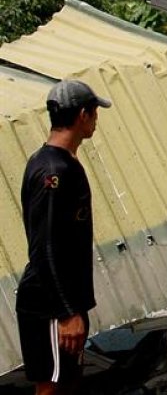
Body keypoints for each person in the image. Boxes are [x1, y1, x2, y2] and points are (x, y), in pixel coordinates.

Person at [16, 79, 111, 395]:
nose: (96, 120)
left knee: (67, 383)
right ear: (83, 114)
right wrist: (67, 311)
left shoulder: (61, 163)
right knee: (52, 387)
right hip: (50, 305)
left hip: (63, 301)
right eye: (95, 113)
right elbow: (46, 246)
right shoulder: (52, 171)